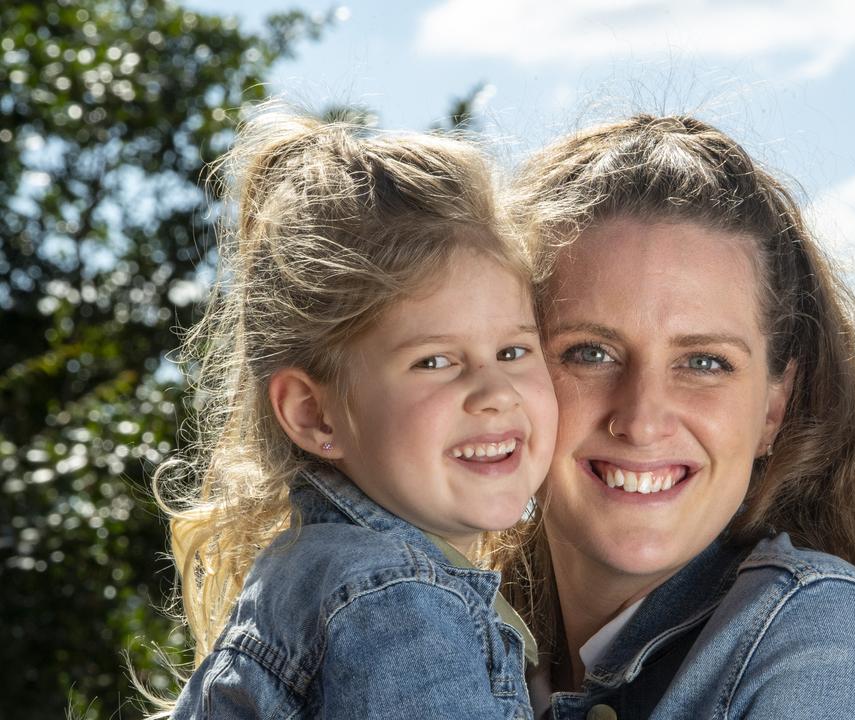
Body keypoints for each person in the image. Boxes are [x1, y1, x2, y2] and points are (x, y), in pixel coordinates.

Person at [495, 114, 855, 719]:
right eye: (590, 353)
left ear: (772, 407)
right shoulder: (455, 642)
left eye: (704, 362)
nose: (642, 418)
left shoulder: (821, 648)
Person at [157, 110, 556, 719]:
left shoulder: (315, 570)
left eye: (513, 350)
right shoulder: (396, 603)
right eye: (436, 361)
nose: (494, 391)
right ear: (315, 413)